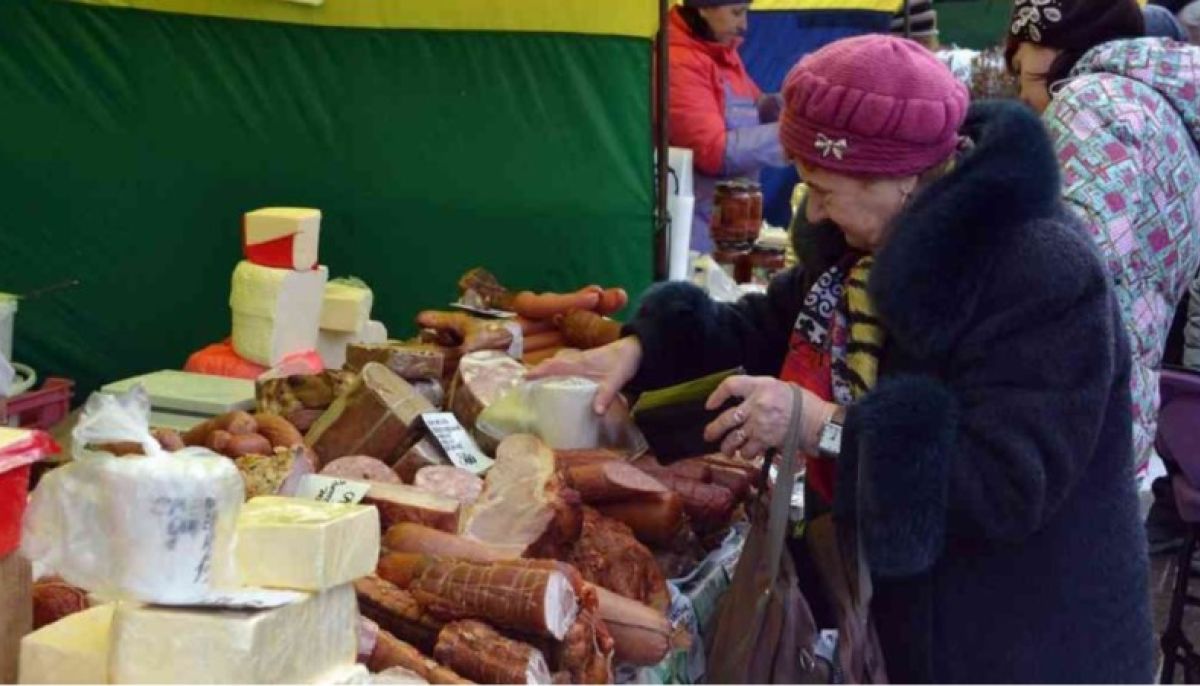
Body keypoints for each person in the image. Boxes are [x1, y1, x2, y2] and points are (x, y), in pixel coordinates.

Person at [535, 34, 1152, 683]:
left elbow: (1001, 482)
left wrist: (817, 423)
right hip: (914, 626)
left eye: (823, 188)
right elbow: (765, 325)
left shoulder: (1042, 272)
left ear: (899, 175)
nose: (813, 210)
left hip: (1029, 641)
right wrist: (641, 347)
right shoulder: (861, 250)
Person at [1007, 0, 1200, 500]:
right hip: (1123, 407)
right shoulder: (1158, 106)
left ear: (1048, 51)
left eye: (1020, 61)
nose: (1018, 87)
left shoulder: (1091, 101)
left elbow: (1066, 264)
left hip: (1068, 415)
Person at [668, 0, 785, 252]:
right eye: (736, 13)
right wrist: (794, 134)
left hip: (728, 225)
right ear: (703, 8)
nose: (743, 25)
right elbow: (713, 152)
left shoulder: (721, 53)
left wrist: (792, 103)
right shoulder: (678, 61)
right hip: (696, 235)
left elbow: (754, 106)